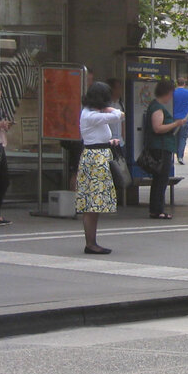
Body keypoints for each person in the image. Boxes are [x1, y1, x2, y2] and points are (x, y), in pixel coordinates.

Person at [75, 81, 124, 254]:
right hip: (95, 160)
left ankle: (92, 242)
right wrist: (109, 109)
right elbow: (119, 115)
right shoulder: (91, 115)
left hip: (97, 155)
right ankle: (90, 243)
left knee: (94, 203)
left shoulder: (90, 113)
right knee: (93, 202)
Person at [143, 78, 187, 219]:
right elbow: (158, 128)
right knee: (161, 179)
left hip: (161, 146)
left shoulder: (155, 106)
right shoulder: (158, 108)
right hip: (161, 148)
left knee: (159, 179)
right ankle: (157, 209)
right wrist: (175, 124)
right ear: (167, 92)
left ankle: (156, 209)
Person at [172, 78, 188, 165]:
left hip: (174, 118)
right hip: (185, 118)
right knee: (183, 138)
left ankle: (173, 154)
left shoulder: (173, 92)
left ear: (176, 83)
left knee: (174, 137)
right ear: (184, 84)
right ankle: (180, 157)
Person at [0, 80, 12, 227]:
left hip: (0, 144)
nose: (0, 93)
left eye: (0, 89)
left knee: (4, 180)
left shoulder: (0, 108)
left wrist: (6, 125)